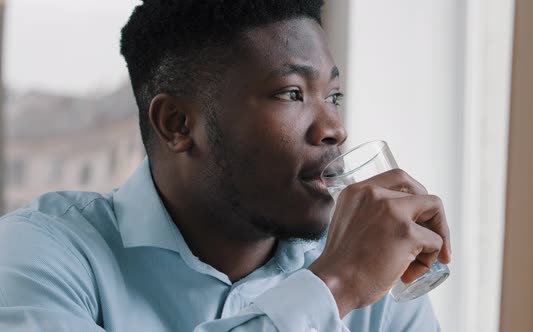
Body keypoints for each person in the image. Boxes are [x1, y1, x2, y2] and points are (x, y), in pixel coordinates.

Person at [0, 1, 451, 331]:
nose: (334, 128)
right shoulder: (39, 253)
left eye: (333, 96)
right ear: (177, 123)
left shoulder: (376, 280)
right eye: (292, 93)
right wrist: (334, 286)